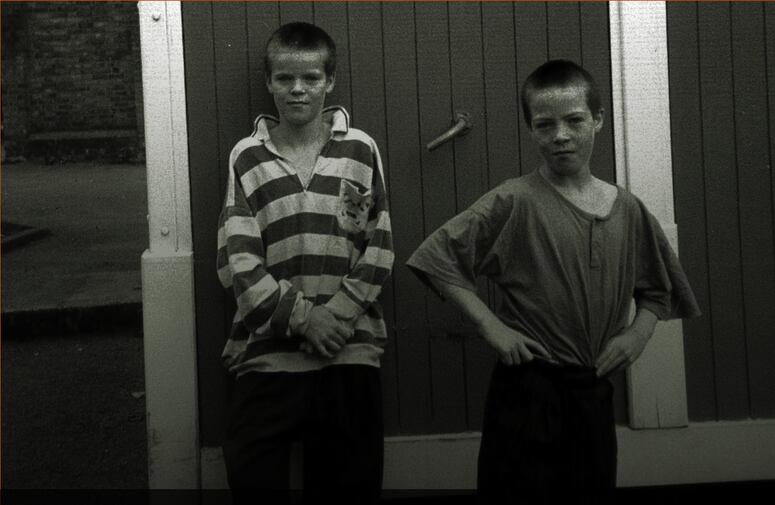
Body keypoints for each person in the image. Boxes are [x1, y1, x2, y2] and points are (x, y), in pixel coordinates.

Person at [406, 59, 700, 503]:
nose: (561, 135)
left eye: (574, 121)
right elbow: (436, 258)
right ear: (531, 130)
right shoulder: (515, 200)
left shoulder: (628, 210)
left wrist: (637, 335)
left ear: (598, 119)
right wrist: (491, 326)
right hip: (527, 391)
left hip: (592, 391)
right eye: (545, 125)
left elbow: (658, 290)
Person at [216, 22, 394, 502]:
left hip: (348, 349)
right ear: (269, 82)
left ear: (329, 81)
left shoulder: (360, 149)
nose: (298, 89)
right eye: (285, 78)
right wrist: (302, 318)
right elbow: (237, 259)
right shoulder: (247, 157)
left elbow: (378, 246)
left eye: (311, 78)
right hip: (267, 355)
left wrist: (334, 317)